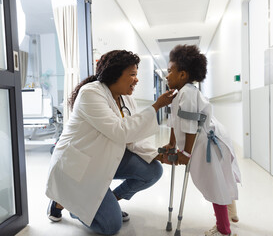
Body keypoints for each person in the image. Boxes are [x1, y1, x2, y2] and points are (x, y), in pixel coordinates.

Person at [45, 49, 175, 235]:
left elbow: (132, 138)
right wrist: (156, 106)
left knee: (153, 170)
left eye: (136, 75)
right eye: (132, 74)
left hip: (103, 159)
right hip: (78, 167)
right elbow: (120, 131)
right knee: (110, 226)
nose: (136, 80)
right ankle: (68, 203)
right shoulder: (90, 93)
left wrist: (159, 155)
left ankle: (108, 201)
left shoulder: (126, 99)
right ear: (115, 74)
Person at [158, 44, 241, 236]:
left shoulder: (187, 92)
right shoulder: (179, 93)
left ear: (183, 75)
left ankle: (223, 230)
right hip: (208, 139)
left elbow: (189, 125)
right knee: (218, 180)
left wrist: (186, 153)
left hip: (208, 143)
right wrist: (171, 144)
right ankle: (230, 213)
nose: (166, 75)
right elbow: (174, 121)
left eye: (170, 71)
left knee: (214, 184)